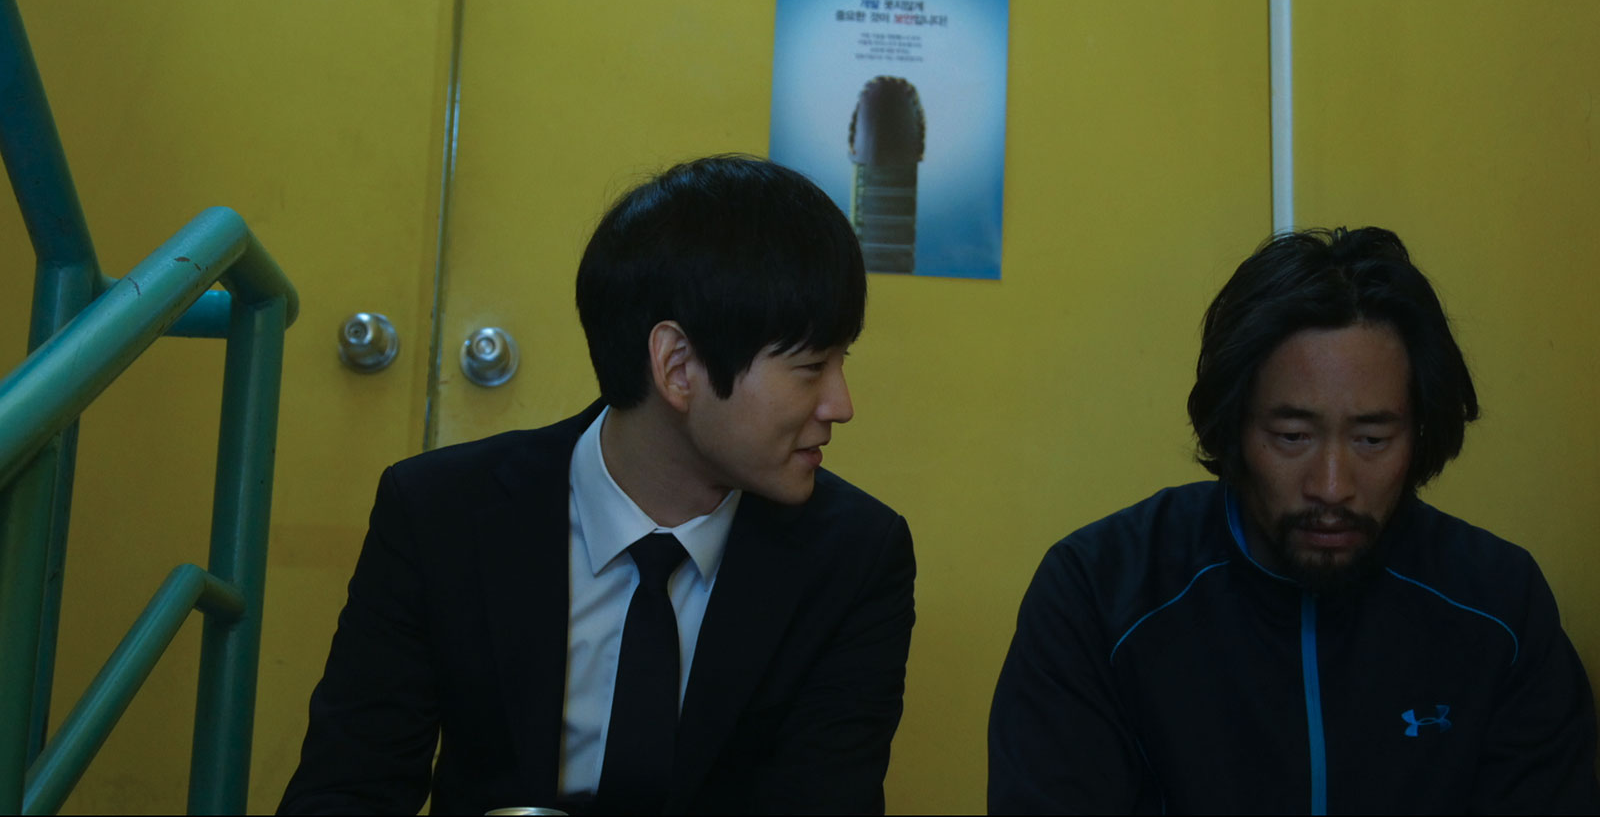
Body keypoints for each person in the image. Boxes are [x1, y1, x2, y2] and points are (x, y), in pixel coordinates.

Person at [279, 156, 916, 815]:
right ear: (677, 367)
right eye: (811, 367)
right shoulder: (440, 513)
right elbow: (348, 787)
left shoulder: (857, 556)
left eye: (841, 361)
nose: (841, 405)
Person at [988, 227, 1599, 814]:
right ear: (1233, 426)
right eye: (1292, 435)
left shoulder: (1499, 604)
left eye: (1371, 439)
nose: (1331, 486)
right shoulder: (1099, 594)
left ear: (1418, 435)